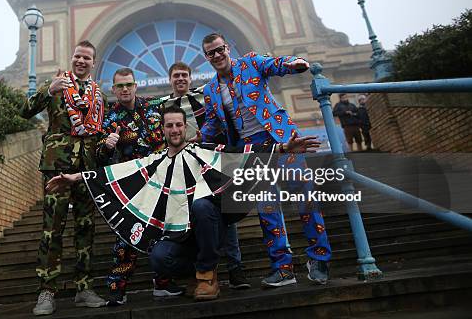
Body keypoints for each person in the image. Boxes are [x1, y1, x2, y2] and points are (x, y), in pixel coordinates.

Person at [46, 106, 321, 301]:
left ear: (185, 127)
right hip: (181, 235)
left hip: (211, 228)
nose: (175, 129)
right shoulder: (155, 161)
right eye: (169, 125)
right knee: (158, 258)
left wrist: (283, 149)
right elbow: (119, 173)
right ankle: (194, 273)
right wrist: (76, 177)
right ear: (163, 129)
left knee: (202, 205)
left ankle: (207, 275)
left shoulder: (202, 151)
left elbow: (241, 154)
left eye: (179, 124)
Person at [200, 32, 332, 287]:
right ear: (206, 57)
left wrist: (294, 63)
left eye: (219, 49)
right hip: (251, 152)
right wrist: (196, 137)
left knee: (304, 197)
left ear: (227, 48)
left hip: (282, 137)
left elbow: (275, 64)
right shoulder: (210, 90)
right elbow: (213, 123)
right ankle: (283, 268)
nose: (216, 55)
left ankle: (320, 258)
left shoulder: (250, 62)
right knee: (267, 209)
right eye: (210, 53)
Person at [21, 40, 107, 315]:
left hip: (85, 169)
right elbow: (24, 111)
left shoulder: (98, 93)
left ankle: (84, 288)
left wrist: (108, 141)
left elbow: (96, 131)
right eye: (77, 56)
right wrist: (48, 90)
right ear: (72, 59)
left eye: (87, 58)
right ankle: (46, 292)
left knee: (85, 228)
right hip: (57, 166)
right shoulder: (57, 84)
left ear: (93, 63)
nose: (81, 61)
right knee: (52, 228)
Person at [96, 67, 182, 305]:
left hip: (161, 180)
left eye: (129, 85)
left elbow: (177, 123)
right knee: (127, 237)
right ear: (114, 89)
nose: (125, 89)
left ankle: (163, 282)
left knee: (163, 231)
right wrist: (108, 146)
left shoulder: (154, 107)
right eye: (120, 86)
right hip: (131, 187)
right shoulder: (110, 118)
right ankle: (117, 288)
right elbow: (100, 155)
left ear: (135, 86)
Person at [162, 62, 250, 290]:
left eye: (184, 75)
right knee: (193, 216)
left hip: (213, 165)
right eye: (176, 76)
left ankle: (235, 269)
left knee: (226, 214)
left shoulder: (204, 97)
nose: (180, 79)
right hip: (183, 170)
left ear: (190, 79)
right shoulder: (163, 105)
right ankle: (199, 272)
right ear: (170, 79)